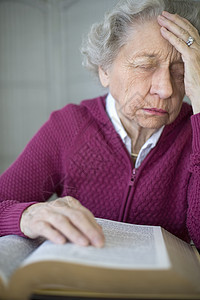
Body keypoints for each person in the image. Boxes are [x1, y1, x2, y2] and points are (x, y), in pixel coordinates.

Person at [0, 0, 200, 250]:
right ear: (105, 70)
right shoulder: (68, 127)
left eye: (180, 73)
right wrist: (26, 215)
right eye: (145, 66)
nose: (166, 88)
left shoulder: (195, 132)